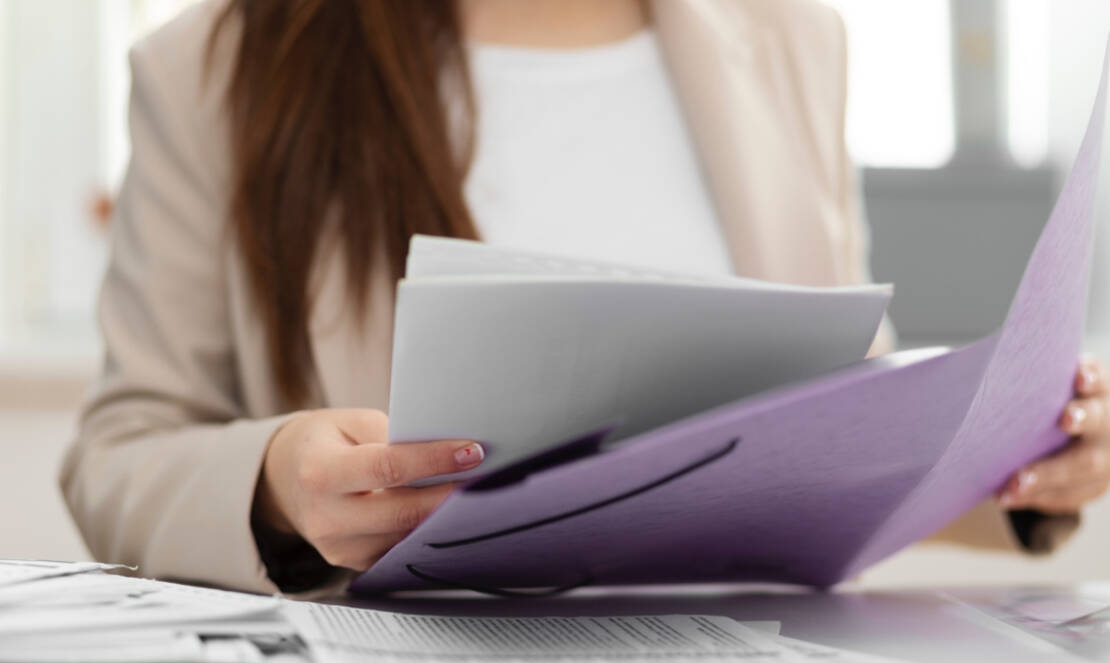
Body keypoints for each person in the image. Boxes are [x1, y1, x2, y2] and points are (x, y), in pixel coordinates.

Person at [60, 0, 1110, 595]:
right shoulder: (215, 64)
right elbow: (119, 449)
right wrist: (277, 483)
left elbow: (834, 436)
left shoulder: (791, 38)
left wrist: (1029, 456)